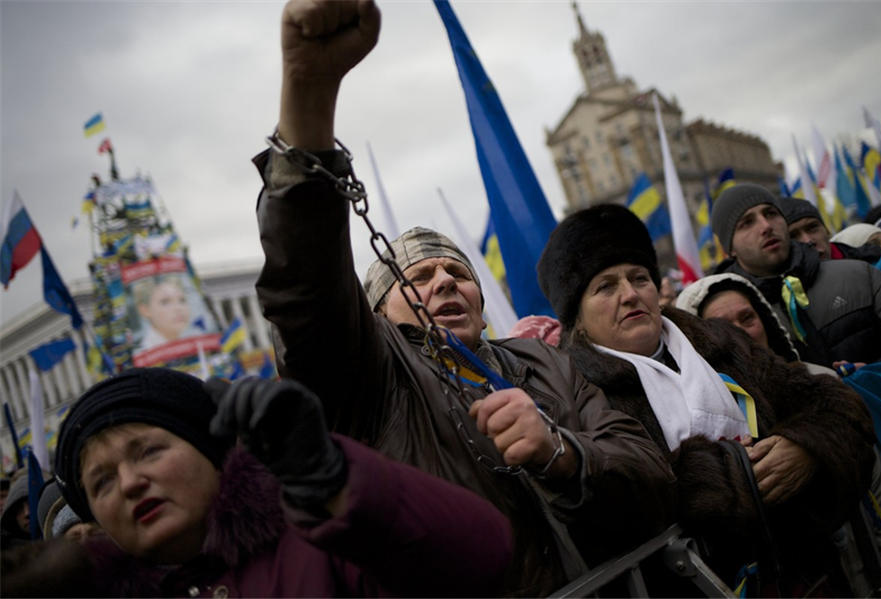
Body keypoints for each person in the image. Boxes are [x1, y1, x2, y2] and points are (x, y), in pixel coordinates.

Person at [252, 1, 676, 594]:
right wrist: (310, 91)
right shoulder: (371, 381)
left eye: (456, 271)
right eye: (418, 279)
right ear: (374, 316)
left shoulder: (546, 364)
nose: (444, 282)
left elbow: (648, 472)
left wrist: (562, 453)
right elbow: (305, 288)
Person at [537, 203, 876, 594]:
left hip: (808, 577)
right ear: (576, 316)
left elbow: (829, 402)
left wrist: (806, 448)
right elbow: (617, 502)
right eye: (606, 286)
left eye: (640, 278)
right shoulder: (573, 394)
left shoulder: (720, 342)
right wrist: (737, 475)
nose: (630, 295)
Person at [2, 367, 513, 597]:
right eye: (102, 482)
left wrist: (333, 478)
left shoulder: (322, 537)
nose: (132, 482)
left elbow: (484, 556)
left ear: (214, 451)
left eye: (150, 451)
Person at [677, 272, 881, 595]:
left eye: (748, 317)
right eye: (720, 325)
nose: (739, 331)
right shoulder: (708, 429)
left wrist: (813, 444)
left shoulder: (824, 386)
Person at [710, 183, 881, 367]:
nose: (766, 226)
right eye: (747, 223)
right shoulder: (730, 316)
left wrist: (872, 375)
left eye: (771, 213)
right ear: (730, 248)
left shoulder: (860, 276)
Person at [133, 275, 202, 351]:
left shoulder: (194, 342)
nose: (178, 308)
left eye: (182, 300)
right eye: (165, 302)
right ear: (145, 310)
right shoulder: (145, 352)